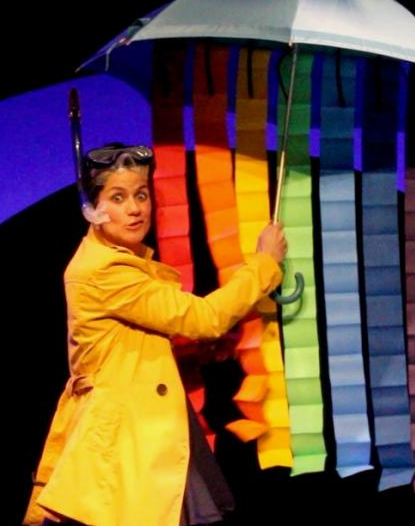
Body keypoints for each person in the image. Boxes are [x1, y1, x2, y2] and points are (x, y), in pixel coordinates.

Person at [23, 143, 287, 526]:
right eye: (118, 198)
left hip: (140, 431)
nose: (135, 209)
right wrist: (265, 263)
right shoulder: (106, 270)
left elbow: (128, 345)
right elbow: (205, 317)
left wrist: (193, 353)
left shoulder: (116, 260)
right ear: (93, 208)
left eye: (141, 195)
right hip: (126, 442)